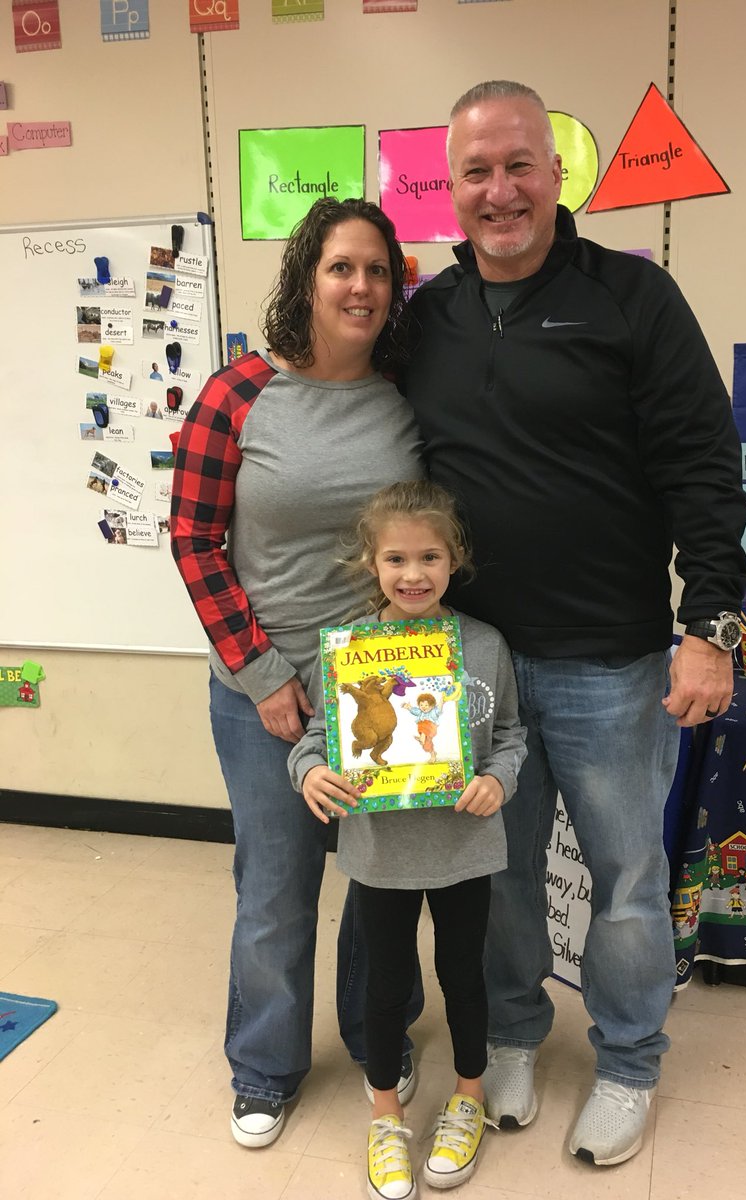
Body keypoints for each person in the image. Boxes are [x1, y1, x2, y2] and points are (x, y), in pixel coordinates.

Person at [402, 80, 746, 1167]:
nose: (498, 190)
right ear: (451, 189)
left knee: (627, 876)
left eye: (519, 165)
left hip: (612, 658)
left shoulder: (634, 299)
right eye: (476, 171)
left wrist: (711, 626)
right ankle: (512, 1034)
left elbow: (704, 465)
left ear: (558, 175)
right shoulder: (430, 319)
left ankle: (632, 1058)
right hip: (480, 664)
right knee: (498, 873)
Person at [171, 198, 425, 1150]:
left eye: (377, 271)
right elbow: (194, 541)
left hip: (383, 687)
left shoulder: (407, 391)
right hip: (263, 693)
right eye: (340, 268)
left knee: (376, 882)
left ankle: (376, 1039)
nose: (361, 287)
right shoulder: (239, 393)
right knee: (276, 885)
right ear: (306, 279)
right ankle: (266, 1066)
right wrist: (264, 672)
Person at [288, 480, 527, 1198]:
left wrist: (499, 781)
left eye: (430, 556)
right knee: (386, 985)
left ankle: (468, 1097)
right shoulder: (349, 650)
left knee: (463, 976)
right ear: (370, 563)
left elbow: (511, 736)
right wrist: (309, 773)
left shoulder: (482, 646)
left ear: (456, 560)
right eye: (396, 558)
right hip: (380, 853)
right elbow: (313, 739)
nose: (413, 573)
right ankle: (386, 1114)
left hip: (464, 847)